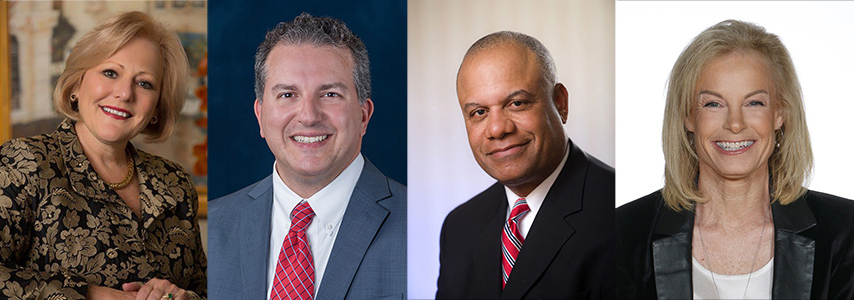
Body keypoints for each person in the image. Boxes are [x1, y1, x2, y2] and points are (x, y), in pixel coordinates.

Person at [616, 19, 854, 299]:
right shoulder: (623, 233)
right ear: (688, 116)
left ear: (780, 113)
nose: (736, 123)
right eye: (713, 104)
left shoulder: (845, 231)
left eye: (754, 103)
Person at [0, 11, 206, 300]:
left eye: (144, 83)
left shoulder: (175, 183)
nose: (124, 93)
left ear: (157, 107)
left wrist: (184, 298)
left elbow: (207, 289)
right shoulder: (24, 162)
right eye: (110, 72)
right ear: (75, 85)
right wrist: (91, 295)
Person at [207, 13, 406, 300]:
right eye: (288, 95)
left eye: (330, 94)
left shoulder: (421, 227)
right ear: (260, 116)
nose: (309, 117)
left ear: (364, 115)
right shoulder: (213, 228)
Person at [436, 31, 615, 299]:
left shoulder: (619, 212)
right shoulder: (459, 227)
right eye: (479, 113)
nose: (497, 129)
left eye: (517, 103)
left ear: (561, 103)